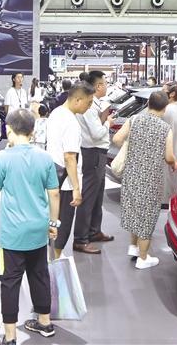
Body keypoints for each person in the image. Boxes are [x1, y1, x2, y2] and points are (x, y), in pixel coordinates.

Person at [0, 109, 61, 345]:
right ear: (32, 130)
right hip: (39, 230)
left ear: (9, 129)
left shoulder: (3, 158)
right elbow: (54, 193)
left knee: (10, 282)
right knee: (39, 275)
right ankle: (45, 323)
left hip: (12, 234)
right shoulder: (45, 157)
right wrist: (53, 223)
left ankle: (10, 337)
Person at [112, 91, 176, 269]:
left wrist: (132, 146)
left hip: (131, 174)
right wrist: (174, 163)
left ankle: (133, 247)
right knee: (147, 216)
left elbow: (116, 139)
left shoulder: (134, 120)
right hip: (151, 179)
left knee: (134, 211)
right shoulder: (165, 129)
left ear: (148, 104)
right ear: (165, 108)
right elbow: (169, 157)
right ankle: (143, 257)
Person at [46, 82, 94, 258]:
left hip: (52, 177)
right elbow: (69, 157)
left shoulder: (56, 113)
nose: (89, 107)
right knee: (62, 226)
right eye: (88, 102)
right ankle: (54, 261)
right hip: (65, 183)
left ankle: (51, 258)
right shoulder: (71, 122)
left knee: (53, 222)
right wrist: (76, 188)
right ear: (78, 99)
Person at [73, 71, 115, 255]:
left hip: (98, 152)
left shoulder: (95, 103)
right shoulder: (89, 106)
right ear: (98, 86)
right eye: (105, 83)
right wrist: (108, 123)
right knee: (89, 197)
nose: (107, 86)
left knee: (97, 196)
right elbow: (97, 133)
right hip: (93, 152)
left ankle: (93, 231)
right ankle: (80, 239)